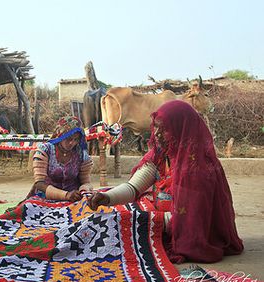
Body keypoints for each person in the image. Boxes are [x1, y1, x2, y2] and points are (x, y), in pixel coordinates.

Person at [88, 100, 244, 263]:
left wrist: (144, 221)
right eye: (156, 127)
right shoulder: (160, 156)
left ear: (181, 130)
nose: (157, 134)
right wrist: (108, 198)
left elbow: (189, 219)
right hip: (162, 217)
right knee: (104, 217)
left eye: (165, 129)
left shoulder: (198, 169)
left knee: (118, 223)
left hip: (187, 227)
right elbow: (134, 187)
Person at [29, 116, 93, 202]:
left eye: (76, 139)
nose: (72, 143)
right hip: (46, 198)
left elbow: (86, 182)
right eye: (68, 139)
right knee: (29, 209)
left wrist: (83, 191)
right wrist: (65, 195)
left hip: (73, 199)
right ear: (60, 136)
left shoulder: (81, 154)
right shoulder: (45, 151)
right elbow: (39, 184)